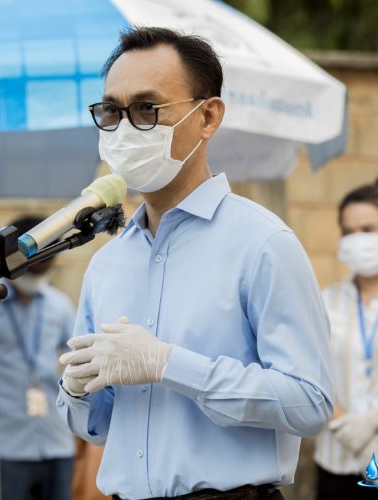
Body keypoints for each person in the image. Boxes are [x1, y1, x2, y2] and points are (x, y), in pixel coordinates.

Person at [57, 26, 334, 500]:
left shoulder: (262, 243)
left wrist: (170, 364)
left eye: (147, 109)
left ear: (208, 116)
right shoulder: (108, 262)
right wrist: (77, 391)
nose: (125, 129)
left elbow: (310, 402)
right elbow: (97, 429)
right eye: (112, 111)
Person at [0, 215, 76, 500]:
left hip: (56, 438)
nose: (36, 279)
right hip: (5, 443)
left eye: (43, 272)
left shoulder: (60, 306)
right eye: (32, 271)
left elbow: (74, 363)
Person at [313, 179, 378, 499]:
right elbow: (311, 369)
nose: (358, 241)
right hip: (336, 459)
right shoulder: (325, 301)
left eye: (368, 230)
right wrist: (343, 425)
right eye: (349, 232)